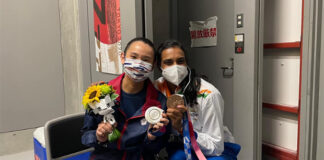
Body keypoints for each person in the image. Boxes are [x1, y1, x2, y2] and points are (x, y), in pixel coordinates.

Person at [81, 37, 170, 160]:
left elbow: (158, 148)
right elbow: (85, 136)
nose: (138, 64)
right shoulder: (100, 93)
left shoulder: (160, 102)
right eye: (133, 57)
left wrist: (152, 136)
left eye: (145, 60)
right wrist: (98, 136)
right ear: (123, 57)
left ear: (153, 65)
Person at [155, 40, 240, 160]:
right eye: (168, 62)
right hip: (182, 145)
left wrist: (182, 128)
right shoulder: (157, 88)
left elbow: (216, 147)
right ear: (159, 65)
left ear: (186, 63)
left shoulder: (209, 94)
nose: (175, 67)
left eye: (180, 61)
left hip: (216, 150)